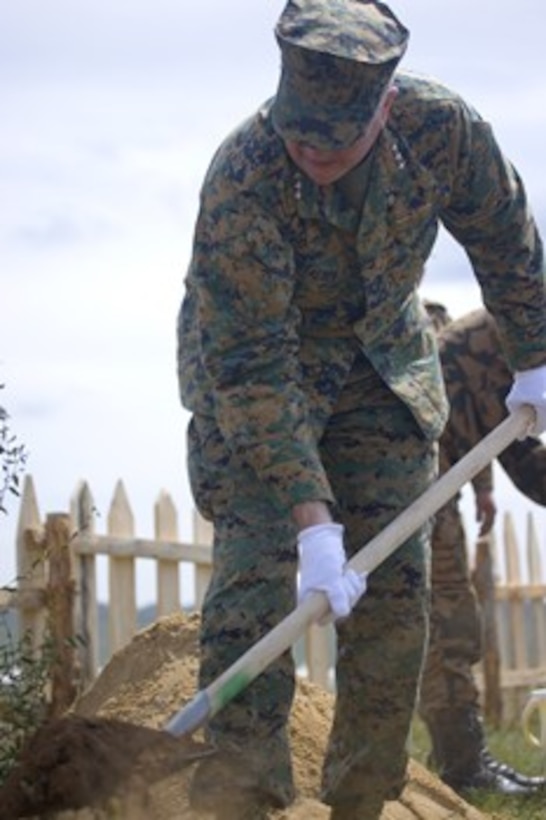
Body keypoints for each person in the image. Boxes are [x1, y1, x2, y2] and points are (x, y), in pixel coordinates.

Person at [176, 2, 546, 817]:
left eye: (333, 142)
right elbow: (251, 365)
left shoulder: (444, 132)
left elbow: (507, 240)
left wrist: (533, 359)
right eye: (299, 135)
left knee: (393, 601)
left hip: (380, 366)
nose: (310, 156)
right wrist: (311, 522)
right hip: (258, 378)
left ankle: (359, 803)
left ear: (384, 107)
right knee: (255, 585)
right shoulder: (243, 179)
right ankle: (243, 799)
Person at [419, 302, 546, 796]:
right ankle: (464, 768)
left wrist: (483, 486)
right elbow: (518, 445)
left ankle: (460, 761)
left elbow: (497, 425)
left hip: (439, 459)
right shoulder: (525, 324)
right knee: (449, 616)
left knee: (442, 615)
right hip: (419, 469)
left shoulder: (508, 324)